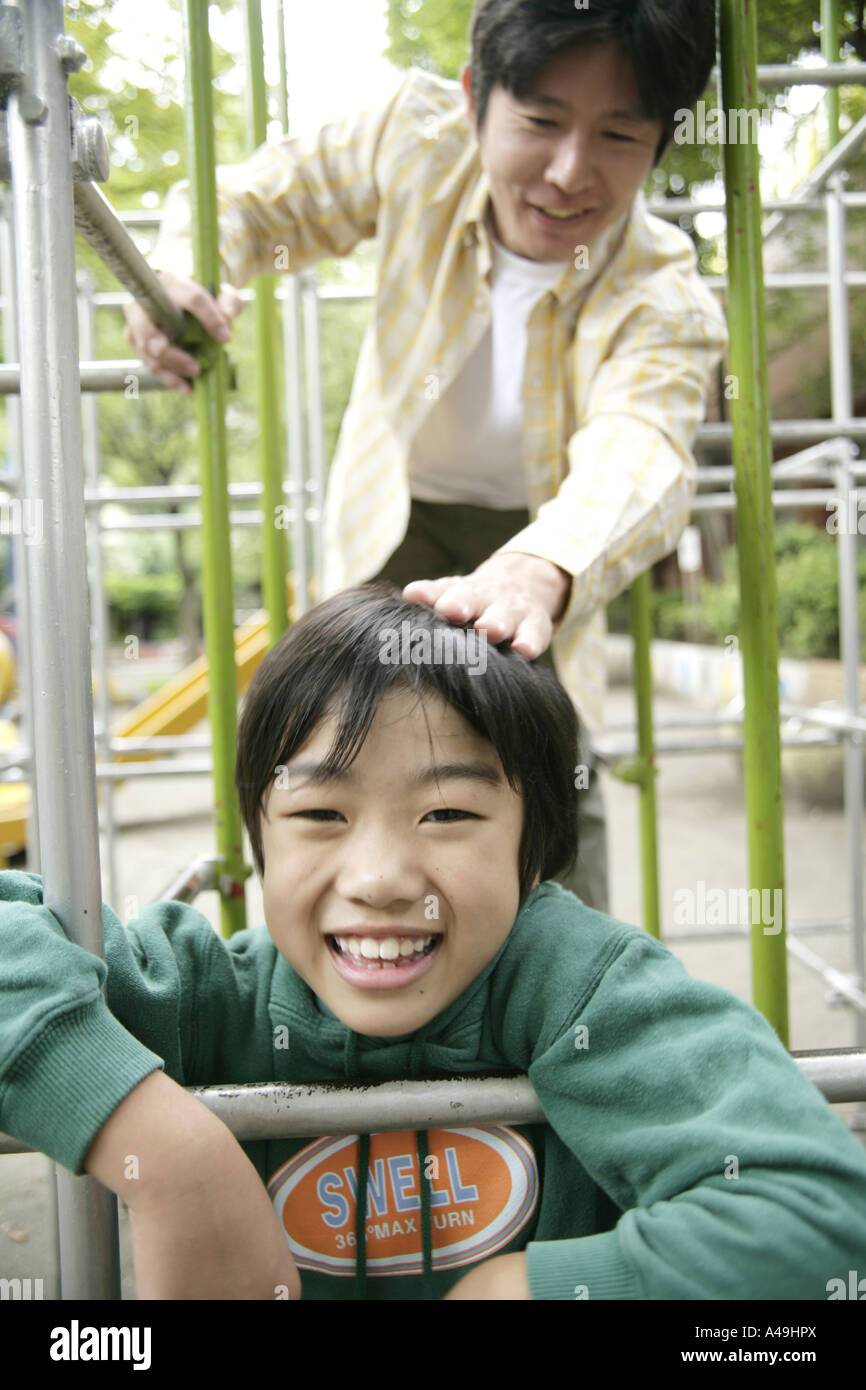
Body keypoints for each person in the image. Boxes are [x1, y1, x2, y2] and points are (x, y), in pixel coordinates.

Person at [1, 586, 866, 1302]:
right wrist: (174, 1155)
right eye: (320, 815)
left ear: (536, 857)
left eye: (447, 813)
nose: (378, 877)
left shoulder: (583, 986)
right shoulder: (200, 994)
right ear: (261, 841)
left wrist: (522, 1292)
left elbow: (820, 1222)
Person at [123, 0, 729, 914]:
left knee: (547, 770)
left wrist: (542, 564)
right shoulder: (416, 139)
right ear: (474, 96)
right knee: (345, 745)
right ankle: (346, 987)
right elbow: (247, 200)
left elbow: (641, 447)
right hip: (389, 514)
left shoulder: (663, 289)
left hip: (545, 531)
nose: (570, 172)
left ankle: (570, 1002)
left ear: (661, 142)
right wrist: (182, 275)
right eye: (539, 121)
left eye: (619, 133)